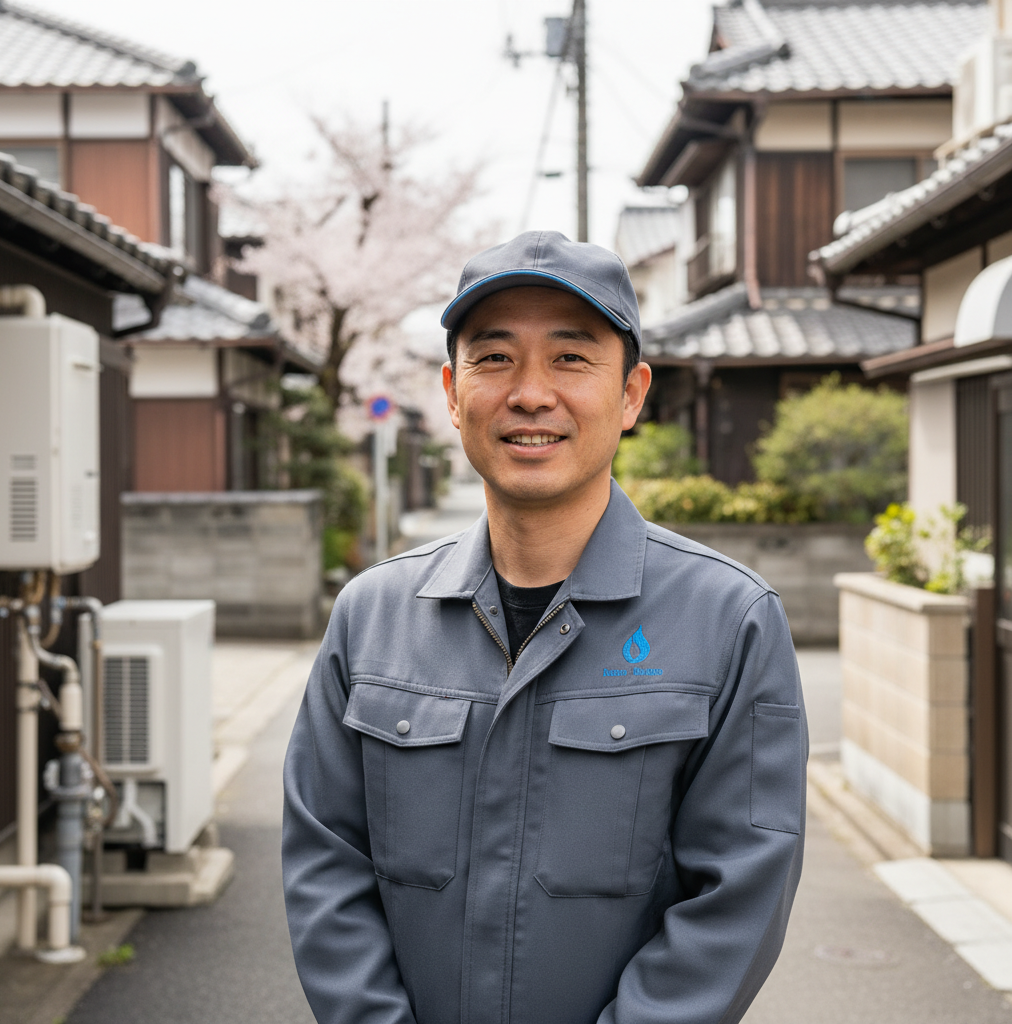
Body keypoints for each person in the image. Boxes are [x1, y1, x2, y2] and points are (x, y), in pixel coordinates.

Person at [282, 230, 807, 1024]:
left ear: (631, 394)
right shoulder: (372, 616)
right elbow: (327, 871)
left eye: (570, 358)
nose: (531, 393)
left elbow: (739, 896)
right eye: (494, 358)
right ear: (453, 394)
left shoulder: (728, 619)